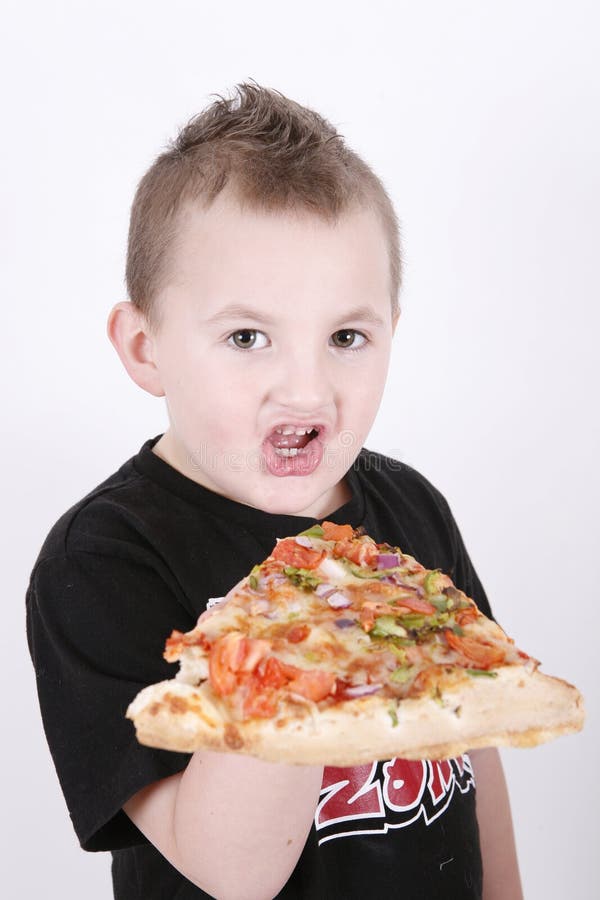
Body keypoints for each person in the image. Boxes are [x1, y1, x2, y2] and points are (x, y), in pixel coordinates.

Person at [26, 83, 523, 900]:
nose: (306, 387)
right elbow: (234, 872)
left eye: (346, 337)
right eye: (248, 337)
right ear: (146, 348)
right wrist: (304, 620)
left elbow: (478, 738)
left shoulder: (414, 510)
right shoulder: (106, 560)